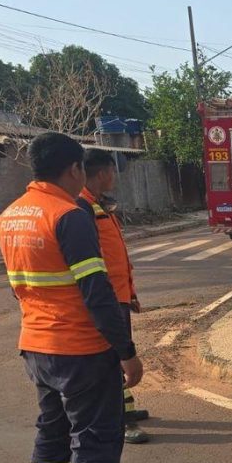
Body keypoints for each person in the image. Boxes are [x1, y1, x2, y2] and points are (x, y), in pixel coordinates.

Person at [0, 132, 168, 463]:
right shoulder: (68, 215)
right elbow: (96, 292)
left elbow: (21, 287)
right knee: (93, 436)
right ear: (74, 169)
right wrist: (126, 351)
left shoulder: (10, 216)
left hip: (36, 346)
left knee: (51, 429)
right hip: (81, 349)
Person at [77, 149, 150, 446]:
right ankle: (120, 420)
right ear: (102, 172)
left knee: (117, 356)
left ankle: (125, 408)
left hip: (118, 295)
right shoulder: (81, 207)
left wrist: (129, 293)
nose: (114, 177)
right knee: (112, 359)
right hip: (105, 299)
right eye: (112, 171)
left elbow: (116, 256)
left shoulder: (98, 204)